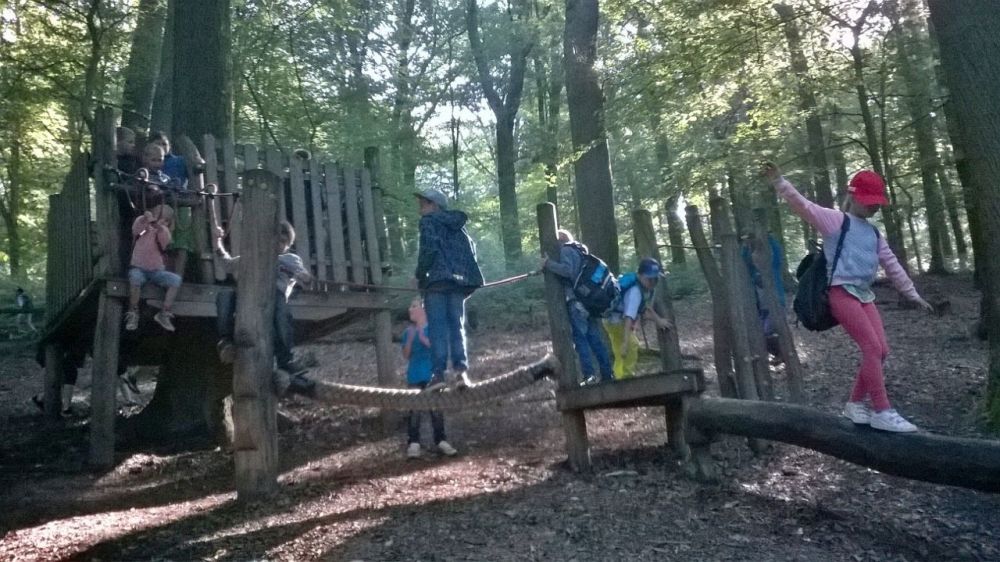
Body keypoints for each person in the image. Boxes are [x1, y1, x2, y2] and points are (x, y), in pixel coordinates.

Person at [761, 162, 933, 433]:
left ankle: (854, 403)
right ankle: (882, 410)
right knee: (872, 348)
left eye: (877, 203)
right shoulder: (835, 221)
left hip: (864, 295)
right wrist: (779, 182)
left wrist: (911, 293)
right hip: (841, 292)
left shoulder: (874, 233)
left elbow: (891, 264)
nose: (874, 207)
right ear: (853, 197)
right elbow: (804, 206)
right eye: (869, 201)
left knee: (882, 351)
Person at [214, 220, 316, 395]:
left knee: (281, 311)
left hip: (274, 297)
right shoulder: (255, 256)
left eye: (284, 242)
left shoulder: (290, 259)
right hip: (249, 296)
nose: (279, 244)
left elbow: (305, 279)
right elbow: (228, 264)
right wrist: (218, 242)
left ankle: (286, 359)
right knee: (224, 296)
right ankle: (226, 342)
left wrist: (304, 277)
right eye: (276, 240)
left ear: (288, 245)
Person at [413, 188, 484, 391]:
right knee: (457, 326)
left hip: (436, 282)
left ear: (435, 205)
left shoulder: (428, 222)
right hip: (457, 283)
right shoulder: (457, 226)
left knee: (438, 329)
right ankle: (461, 373)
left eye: (424, 203)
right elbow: (471, 250)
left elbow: (429, 249)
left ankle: (439, 375)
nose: (420, 207)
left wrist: (419, 274)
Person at [542, 229, 614, 385]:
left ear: (560, 240)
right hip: (590, 302)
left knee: (581, 340)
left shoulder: (566, 250)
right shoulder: (580, 251)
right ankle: (607, 373)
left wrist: (548, 264)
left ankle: (589, 375)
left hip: (577, 302)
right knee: (595, 340)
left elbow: (568, 271)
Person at [402, 297, 458, 459]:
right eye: (410, 306)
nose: (410, 309)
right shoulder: (408, 332)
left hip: (433, 376)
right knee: (414, 411)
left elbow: (438, 350)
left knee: (436, 410)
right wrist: (410, 340)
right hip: (414, 375)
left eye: (414, 306)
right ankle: (414, 443)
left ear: (424, 309)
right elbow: (406, 355)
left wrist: (423, 337)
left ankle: (441, 441)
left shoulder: (434, 329)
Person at [603, 257, 673, 379]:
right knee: (631, 345)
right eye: (649, 279)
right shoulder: (635, 291)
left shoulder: (645, 289)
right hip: (615, 321)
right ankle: (626, 377)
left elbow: (645, 310)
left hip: (613, 320)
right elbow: (628, 317)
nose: (653, 282)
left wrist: (658, 320)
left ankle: (619, 376)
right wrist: (626, 342)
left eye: (655, 279)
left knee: (621, 352)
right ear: (640, 276)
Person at [126, 204, 181, 332]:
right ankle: (133, 312)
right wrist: (145, 219)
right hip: (138, 268)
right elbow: (136, 229)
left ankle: (164, 312)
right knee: (135, 278)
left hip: (156, 272)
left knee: (175, 280)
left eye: (166, 220)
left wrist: (156, 224)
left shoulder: (164, 232)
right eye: (161, 218)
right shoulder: (143, 226)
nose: (163, 222)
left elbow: (163, 236)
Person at [742, 233, 786, 362]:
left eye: (758, 258)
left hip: (776, 305)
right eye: (754, 259)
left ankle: (781, 354)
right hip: (763, 310)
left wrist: (770, 238)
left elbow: (777, 254)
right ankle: (775, 354)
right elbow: (744, 261)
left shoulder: (773, 269)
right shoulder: (753, 274)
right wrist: (745, 246)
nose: (757, 261)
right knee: (759, 334)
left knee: (767, 331)